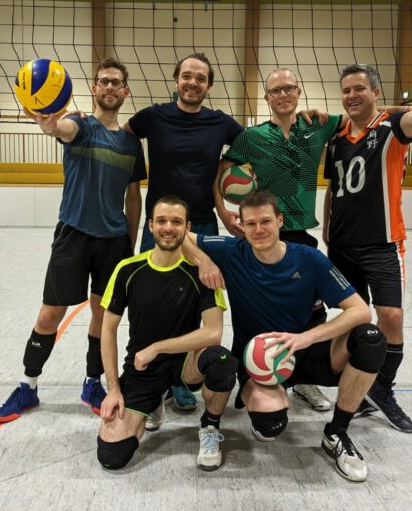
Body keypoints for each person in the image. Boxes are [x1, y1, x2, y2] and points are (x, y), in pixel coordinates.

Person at [184, 190, 386, 482]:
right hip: (257, 360)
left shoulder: (309, 259)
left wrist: (307, 338)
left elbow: (360, 310)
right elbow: (183, 237)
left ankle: (336, 433)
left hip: (301, 348)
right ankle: (265, 406)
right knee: (270, 425)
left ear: (280, 220)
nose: (258, 230)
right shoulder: (233, 251)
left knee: (370, 338)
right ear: (241, 226)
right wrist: (204, 261)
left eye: (266, 221)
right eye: (250, 223)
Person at [0, 58, 146, 422]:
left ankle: (92, 383)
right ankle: (28, 386)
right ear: (94, 88)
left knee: (102, 316)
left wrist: (131, 243)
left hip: (114, 241)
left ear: (125, 91)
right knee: (50, 314)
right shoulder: (80, 124)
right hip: (73, 235)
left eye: (116, 82)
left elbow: (133, 196)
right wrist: (49, 123)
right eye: (104, 81)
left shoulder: (131, 144)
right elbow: (60, 129)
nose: (110, 87)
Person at [214, 68, 342, 413]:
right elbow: (221, 173)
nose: (283, 95)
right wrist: (224, 212)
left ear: (298, 92)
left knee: (312, 312)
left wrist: (411, 109)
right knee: (260, 307)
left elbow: (365, 114)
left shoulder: (318, 126)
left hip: (300, 235)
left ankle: (303, 379)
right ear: (267, 97)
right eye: (275, 90)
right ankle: (254, 368)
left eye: (288, 88)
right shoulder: (250, 137)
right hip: (263, 233)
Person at [123, 52, 243, 411]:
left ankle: (177, 379)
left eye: (201, 78)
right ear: (176, 80)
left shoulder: (221, 123)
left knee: (193, 306)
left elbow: (255, 145)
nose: (193, 83)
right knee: (149, 305)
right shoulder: (152, 117)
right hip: (160, 226)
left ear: (208, 86)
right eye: (187, 76)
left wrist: (224, 201)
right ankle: (147, 375)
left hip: (201, 224)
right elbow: (118, 133)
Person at [322, 63, 412, 434]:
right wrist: (326, 228)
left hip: (383, 244)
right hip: (342, 245)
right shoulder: (336, 139)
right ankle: (354, 387)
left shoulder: (393, 128)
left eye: (359, 88)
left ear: (375, 92)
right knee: (352, 319)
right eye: (346, 90)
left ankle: (382, 389)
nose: (352, 95)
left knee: (391, 316)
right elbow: (334, 188)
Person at [96, 196, 236, 471]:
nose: (168, 227)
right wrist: (113, 390)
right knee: (112, 455)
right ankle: (153, 401)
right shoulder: (127, 269)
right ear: (150, 225)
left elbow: (213, 333)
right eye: (161, 221)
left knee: (222, 362)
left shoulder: (202, 274)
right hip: (142, 366)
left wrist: (158, 347)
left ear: (187, 228)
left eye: (176, 222)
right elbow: (108, 331)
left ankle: (209, 427)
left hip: (185, 362)